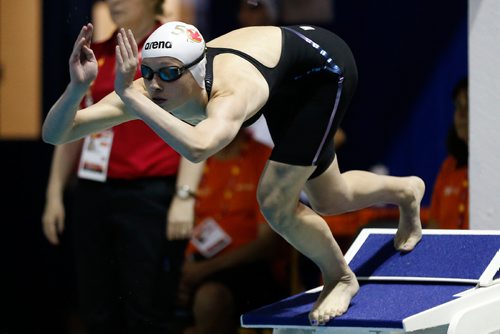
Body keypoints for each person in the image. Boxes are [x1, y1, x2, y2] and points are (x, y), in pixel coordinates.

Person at [42, 21, 425, 325]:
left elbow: (198, 147)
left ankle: (340, 277)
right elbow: (57, 133)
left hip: (323, 71)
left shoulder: (230, 92)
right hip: (284, 72)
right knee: (331, 198)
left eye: (170, 73)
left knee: (274, 202)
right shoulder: (145, 88)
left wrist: (133, 102)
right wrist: (78, 87)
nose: (156, 84)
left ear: (196, 70)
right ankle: (407, 190)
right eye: (148, 72)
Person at [41, 2, 195, 333]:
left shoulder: (176, 48)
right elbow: (72, 127)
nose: (115, 1)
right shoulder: (94, 52)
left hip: (151, 194)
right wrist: (54, 192)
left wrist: (185, 195)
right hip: (93, 191)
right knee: (96, 306)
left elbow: (199, 121)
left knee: (146, 305)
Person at [177, 129, 288, 334]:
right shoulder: (193, 162)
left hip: (248, 267)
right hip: (194, 265)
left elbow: (268, 244)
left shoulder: (264, 158)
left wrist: (205, 270)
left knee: (210, 298)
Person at [428, 78, 468, 229]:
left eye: (468, 106)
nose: (461, 114)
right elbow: (434, 226)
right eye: (458, 106)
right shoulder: (449, 166)